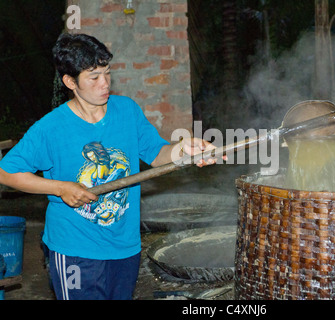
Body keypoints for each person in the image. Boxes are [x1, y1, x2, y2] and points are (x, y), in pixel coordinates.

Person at [0, 33, 220, 300]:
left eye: (107, 73)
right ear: (70, 82)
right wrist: (60, 188)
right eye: (93, 77)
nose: (104, 84)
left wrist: (183, 149)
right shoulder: (51, 128)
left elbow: (156, 153)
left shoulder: (127, 110)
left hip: (125, 246)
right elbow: (6, 171)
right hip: (76, 249)